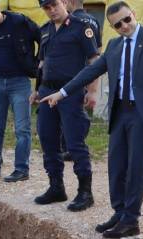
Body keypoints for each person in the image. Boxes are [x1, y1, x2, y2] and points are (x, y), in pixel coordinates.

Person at [41, 1, 143, 238]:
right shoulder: (114, 46)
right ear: (113, 28)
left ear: (133, 14)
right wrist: (62, 93)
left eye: (126, 20)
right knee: (116, 166)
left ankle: (131, 220)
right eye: (118, 24)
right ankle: (119, 212)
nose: (124, 26)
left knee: (136, 167)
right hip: (120, 111)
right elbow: (89, 72)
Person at [29, 0, 98, 211]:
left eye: (54, 5)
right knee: (48, 138)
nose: (51, 10)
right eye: (46, 8)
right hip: (48, 92)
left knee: (74, 142)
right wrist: (37, 89)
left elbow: (94, 60)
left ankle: (85, 192)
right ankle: (56, 187)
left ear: (64, 3)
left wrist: (93, 91)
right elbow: (42, 64)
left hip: (71, 92)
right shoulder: (45, 30)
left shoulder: (82, 27)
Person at [0, 0, 40, 182]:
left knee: (22, 129)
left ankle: (21, 169)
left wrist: (37, 63)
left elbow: (42, 37)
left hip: (20, 82)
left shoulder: (18, 21)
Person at [57, 0, 103, 162]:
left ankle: (69, 147)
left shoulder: (70, 21)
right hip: (87, 72)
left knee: (67, 111)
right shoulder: (94, 20)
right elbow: (97, 51)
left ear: (68, 2)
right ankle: (74, 145)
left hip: (71, 71)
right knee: (77, 110)